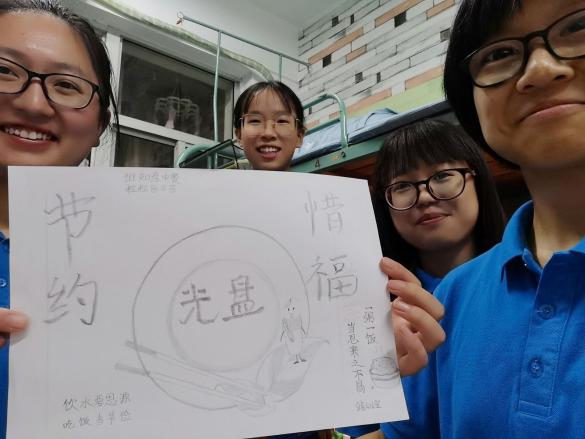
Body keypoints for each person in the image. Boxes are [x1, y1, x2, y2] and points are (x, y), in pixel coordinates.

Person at [381, 0, 585, 437]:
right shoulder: (453, 296)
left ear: (476, 176)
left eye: (578, 26)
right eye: (500, 54)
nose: (540, 69)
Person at [234, 83, 446, 439]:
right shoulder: (216, 205)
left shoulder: (330, 207)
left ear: (301, 134)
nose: (268, 132)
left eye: (282, 121)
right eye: (254, 120)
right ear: (238, 133)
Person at [337, 119, 505, 438]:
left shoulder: (523, 286)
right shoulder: (373, 313)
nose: (425, 197)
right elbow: (356, 430)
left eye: (441, 176)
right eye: (402, 186)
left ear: (477, 179)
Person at [0, 0, 118, 436]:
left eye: (66, 85)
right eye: (4, 71)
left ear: (100, 124)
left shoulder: (135, 252)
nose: (34, 103)